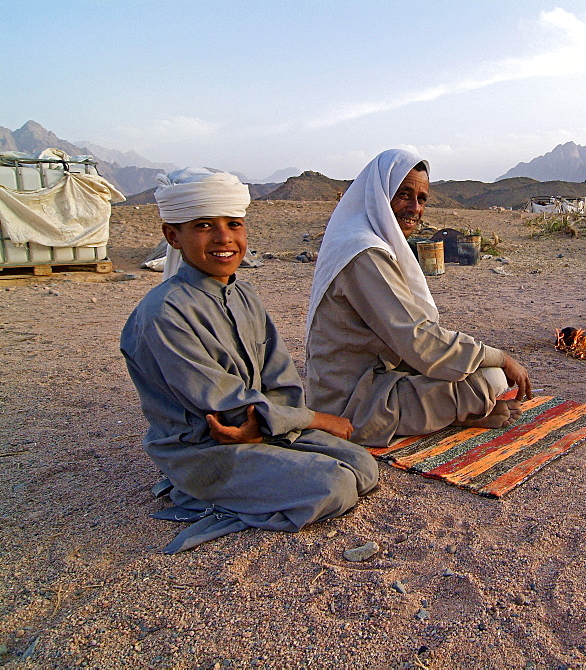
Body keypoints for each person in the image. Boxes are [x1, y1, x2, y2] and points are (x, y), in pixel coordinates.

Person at [120, 167, 378, 553]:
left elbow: (279, 378)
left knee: (363, 467)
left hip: (260, 429)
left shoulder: (245, 295)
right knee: (334, 486)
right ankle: (197, 493)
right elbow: (219, 401)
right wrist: (315, 420)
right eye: (204, 225)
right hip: (206, 446)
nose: (224, 238)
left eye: (234, 224)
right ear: (173, 236)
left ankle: (265, 470)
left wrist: (269, 425)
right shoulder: (163, 314)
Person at [305, 149, 533, 448]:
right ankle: (459, 416)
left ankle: (453, 413)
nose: (414, 208)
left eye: (421, 199)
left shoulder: (366, 241)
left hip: (377, 379)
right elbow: (419, 340)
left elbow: (416, 338)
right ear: (380, 195)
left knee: (470, 370)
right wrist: (501, 358)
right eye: (404, 194)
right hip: (352, 402)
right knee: (491, 379)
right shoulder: (365, 254)